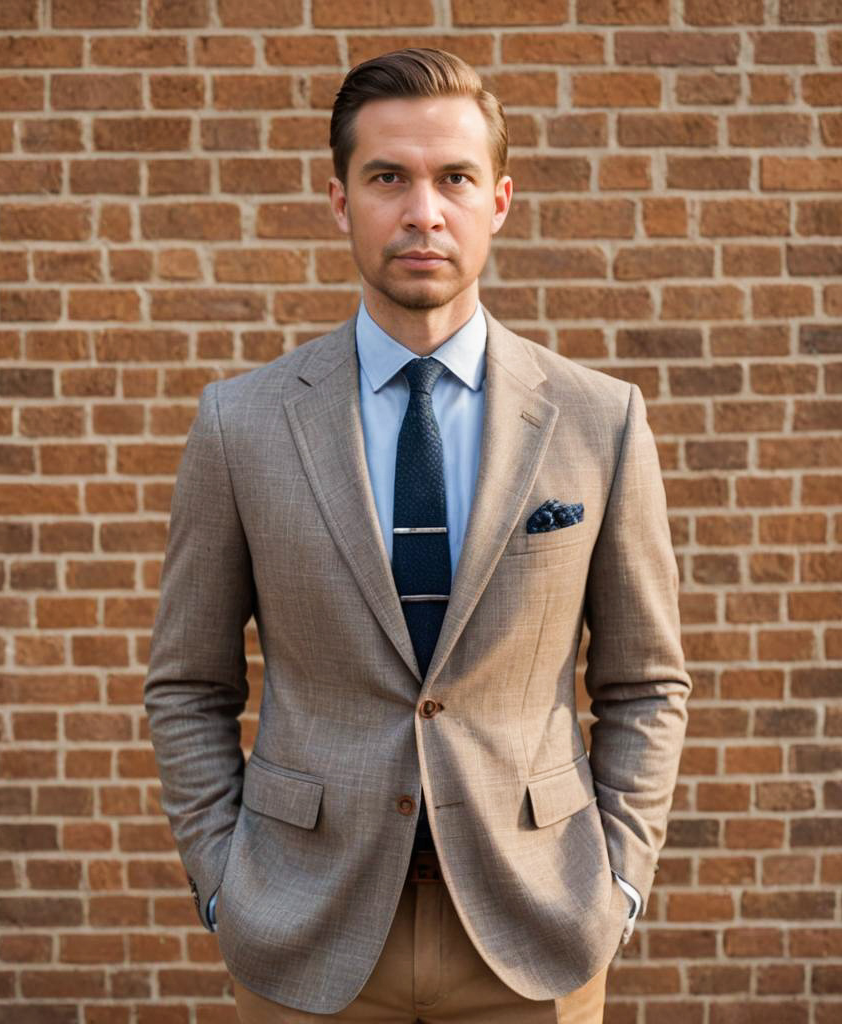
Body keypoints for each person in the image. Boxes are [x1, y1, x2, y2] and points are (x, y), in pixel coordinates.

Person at [143, 47, 691, 1023]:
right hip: (305, 930)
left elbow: (644, 681)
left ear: (500, 199)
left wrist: (618, 886)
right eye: (387, 176)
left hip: (535, 932)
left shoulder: (598, 419)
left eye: (454, 177)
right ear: (339, 199)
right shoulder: (242, 423)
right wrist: (225, 885)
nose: (423, 210)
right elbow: (188, 682)